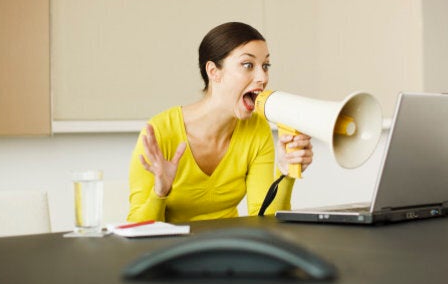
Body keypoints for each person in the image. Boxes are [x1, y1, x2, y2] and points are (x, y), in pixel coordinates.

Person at [127, 22, 313, 223]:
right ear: (214, 72)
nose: (262, 77)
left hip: (227, 249)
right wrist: (160, 192)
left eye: (265, 66)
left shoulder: (257, 129)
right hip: (174, 251)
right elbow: (136, 228)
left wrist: (286, 173)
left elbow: (264, 221)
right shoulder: (160, 132)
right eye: (248, 65)